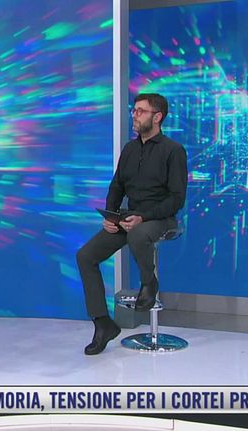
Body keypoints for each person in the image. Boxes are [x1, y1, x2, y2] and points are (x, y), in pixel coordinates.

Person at [76, 93, 188, 355]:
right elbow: (117, 186)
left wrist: (143, 217)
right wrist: (111, 216)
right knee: (85, 256)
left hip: (160, 218)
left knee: (138, 233)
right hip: (130, 216)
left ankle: (149, 284)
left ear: (157, 117)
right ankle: (103, 323)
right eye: (134, 110)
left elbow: (176, 199)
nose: (134, 115)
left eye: (141, 111)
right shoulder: (130, 149)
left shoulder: (173, 151)